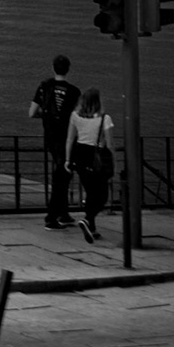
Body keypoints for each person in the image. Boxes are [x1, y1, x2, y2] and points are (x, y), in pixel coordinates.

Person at [28, 55, 82, 229]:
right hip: (67, 139)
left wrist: (47, 116)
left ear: (53, 68)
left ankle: (63, 213)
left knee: (62, 174)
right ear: (68, 69)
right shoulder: (74, 91)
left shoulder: (44, 86)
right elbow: (77, 118)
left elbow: (32, 113)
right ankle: (52, 217)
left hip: (51, 137)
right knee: (62, 176)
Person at [64, 87, 116, 243]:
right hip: (97, 156)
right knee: (102, 196)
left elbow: (70, 139)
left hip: (80, 155)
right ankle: (88, 219)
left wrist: (67, 160)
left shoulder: (75, 116)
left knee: (90, 191)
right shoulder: (105, 119)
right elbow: (110, 144)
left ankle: (91, 227)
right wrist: (113, 163)